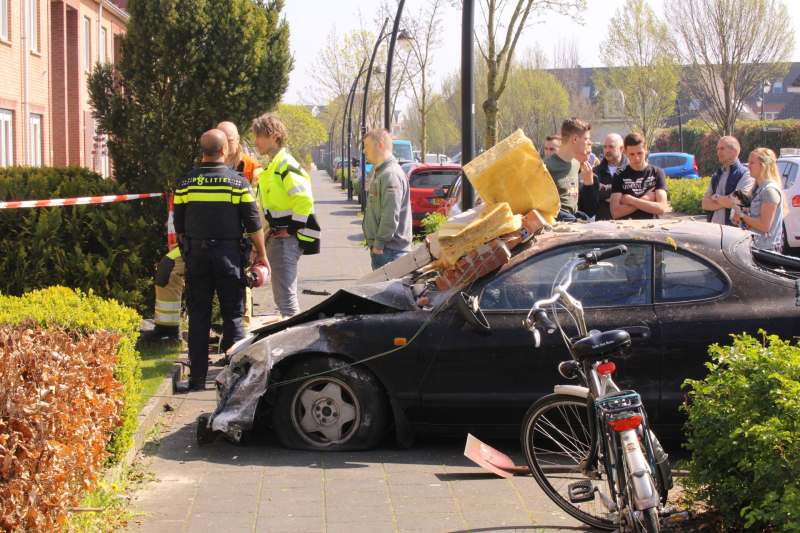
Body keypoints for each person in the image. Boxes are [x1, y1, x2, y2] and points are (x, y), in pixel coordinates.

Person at [140, 121, 264, 343]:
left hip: (239, 245)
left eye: (231, 139)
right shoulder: (203, 168)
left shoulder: (253, 169)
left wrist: (256, 249)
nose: (227, 144)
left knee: (239, 288)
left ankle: (237, 340)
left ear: (235, 142)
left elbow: (259, 213)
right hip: (200, 244)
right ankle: (167, 330)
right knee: (167, 267)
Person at [173, 129, 268, 391]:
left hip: (197, 257)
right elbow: (253, 223)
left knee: (199, 317)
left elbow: (179, 224)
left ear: (202, 151)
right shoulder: (238, 183)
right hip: (229, 257)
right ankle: (237, 385)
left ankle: (196, 381)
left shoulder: (185, 183)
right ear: (225, 150)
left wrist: (189, 249)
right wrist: (262, 255)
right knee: (234, 318)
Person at [252, 112, 320, 318]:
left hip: (285, 240)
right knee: (283, 296)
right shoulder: (276, 163)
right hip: (281, 238)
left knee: (285, 300)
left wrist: (291, 228)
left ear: (274, 136)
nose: (255, 142)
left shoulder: (284, 164)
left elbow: (304, 200)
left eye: (259, 137)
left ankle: (293, 343)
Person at [362, 128, 412, 270]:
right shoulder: (384, 172)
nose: (364, 151)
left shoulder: (390, 175)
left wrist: (378, 245)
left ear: (380, 145)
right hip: (388, 250)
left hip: (388, 251)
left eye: (366, 146)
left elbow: (390, 215)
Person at [731, 148, 786, 252]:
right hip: (755, 247)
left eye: (752, 162)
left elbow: (764, 225)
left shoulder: (769, 191)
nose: (748, 166)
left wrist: (742, 216)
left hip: (766, 250)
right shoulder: (756, 189)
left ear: (764, 166)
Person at [543, 118, 594, 219]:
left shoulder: (576, 164)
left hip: (572, 225)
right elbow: (539, 206)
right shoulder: (546, 166)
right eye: (586, 139)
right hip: (554, 228)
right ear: (575, 139)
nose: (588, 143)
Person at [610, 133, 668, 220]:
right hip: (628, 228)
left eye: (639, 153)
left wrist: (631, 200)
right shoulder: (619, 175)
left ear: (646, 149)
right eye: (632, 154)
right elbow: (615, 212)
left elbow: (661, 208)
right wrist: (646, 199)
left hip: (653, 228)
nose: (636, 158)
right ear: (625, 153)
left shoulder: (657, 173)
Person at [702, 136, 753, 226]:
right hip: (714, 230)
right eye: (718, 149)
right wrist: (727, 201)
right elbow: (705, 204)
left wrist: (716, 198)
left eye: (722, 149)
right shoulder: (717, 175)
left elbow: (737, 201)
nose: (718, 152)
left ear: (735, 151)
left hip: (733, 232)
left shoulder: (745, 174)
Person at [595, 133, 627, 221]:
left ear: (621, 149)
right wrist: (621, 195)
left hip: (627, 223)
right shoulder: (596, 171)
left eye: (611, 147)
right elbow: (595, 190)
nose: (607, 150)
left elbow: (635, 191)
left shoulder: (630, 170)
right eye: (605, 147)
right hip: (603, 224)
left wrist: (607, 196)